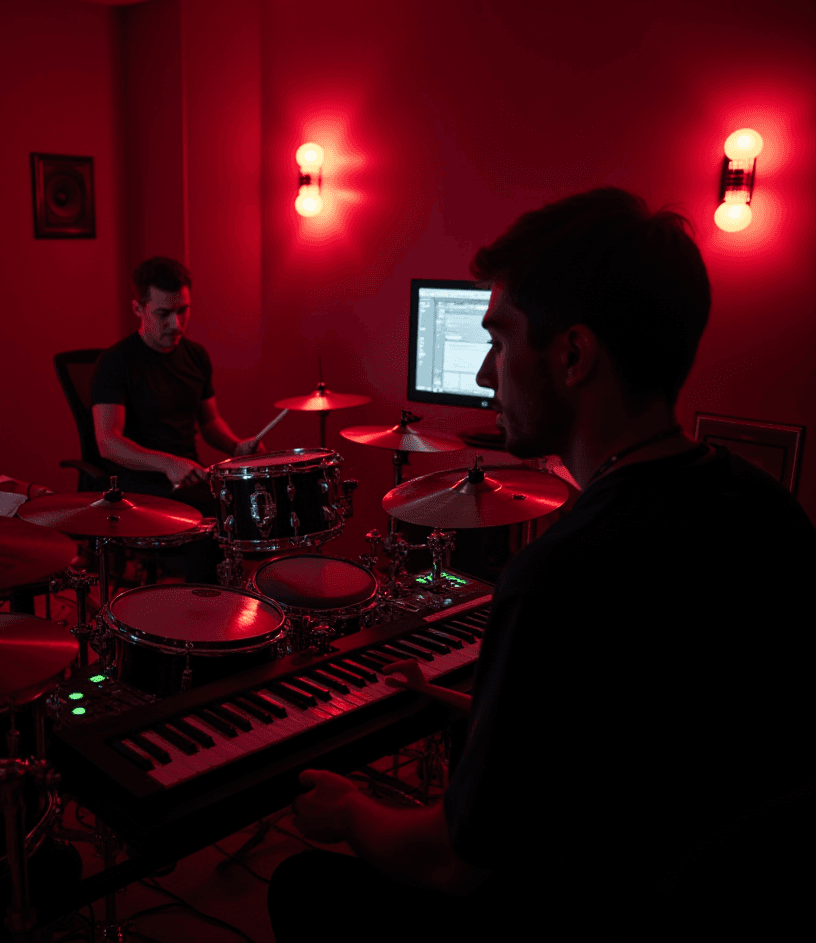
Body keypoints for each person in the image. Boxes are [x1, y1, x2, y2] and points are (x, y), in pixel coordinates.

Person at [267, 188, 815, 939]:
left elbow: (453, 862)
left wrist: (354, 811)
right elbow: (641, 732)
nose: (489, 377)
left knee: (304, 884)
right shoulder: (769, 512)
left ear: (573, 354)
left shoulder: (566, 573)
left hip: (575, 903)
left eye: (499, 340)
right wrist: (468, 705)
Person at [91, 257, 260, 579]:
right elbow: (108, 442)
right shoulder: (115, 363)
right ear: (138, 309)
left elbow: (210, 423)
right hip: (137, 487)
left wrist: (237, 447)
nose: (176, 324)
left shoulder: (195, 356)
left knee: (246, 504)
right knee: (210, 522)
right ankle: (203, 611)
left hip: (188, 479)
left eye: (182, 310)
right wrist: (168, 463)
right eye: (163, 314)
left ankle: (230, 606)